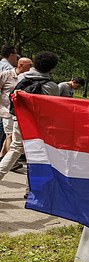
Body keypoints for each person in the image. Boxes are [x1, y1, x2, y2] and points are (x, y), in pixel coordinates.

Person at [0, 52, 58, 190]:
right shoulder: (52, 87)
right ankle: (30, 189)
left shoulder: (21, 77)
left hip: (19, 120)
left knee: (15, 148)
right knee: (36, 155)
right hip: (38, 124)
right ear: (51, 68)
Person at [0, 57, 32, 158]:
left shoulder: (26, 77)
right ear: (21, 65)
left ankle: (2, 156)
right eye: (29, 65)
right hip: (5, 110)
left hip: (18, 111)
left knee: (10, 136)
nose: (31, 67)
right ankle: (10, 160)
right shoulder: (6, 74)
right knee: (10, 135)